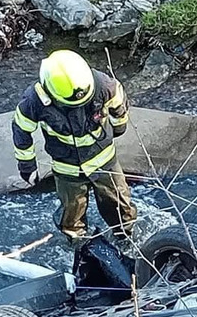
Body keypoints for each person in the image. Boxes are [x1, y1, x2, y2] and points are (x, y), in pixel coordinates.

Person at [12, 50, 137, 244]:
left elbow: (119, 103)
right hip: (66, 165)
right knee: (72, 214)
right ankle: (79, 245)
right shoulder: (33, 102)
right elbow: (21, 130)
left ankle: (127, 239)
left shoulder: (103, 84)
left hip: (103, 159)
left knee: (120, 206)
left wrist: (119, 126)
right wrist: (27, 167)